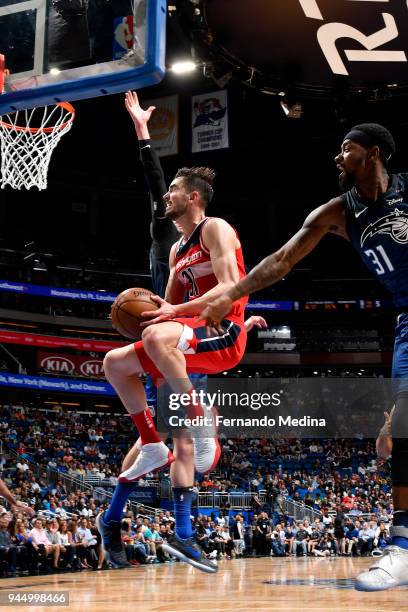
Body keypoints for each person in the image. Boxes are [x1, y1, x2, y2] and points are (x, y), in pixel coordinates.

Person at [200, 122, 408, 591]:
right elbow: (281, 260)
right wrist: (229, 293)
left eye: (347, 149)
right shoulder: (338, 212)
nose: (338, 157)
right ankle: (403, 546)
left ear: (373, 154)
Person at [97, 91, 265, 569]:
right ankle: (149, 446)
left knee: (188, 435)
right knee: (115, 362)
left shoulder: (216, 228)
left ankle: (184, 528)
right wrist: (155, 308)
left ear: (191, 196)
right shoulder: (173, 250)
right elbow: (167, 303)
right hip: (180, 340)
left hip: (217, 334)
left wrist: (172, 315)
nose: (165, 195)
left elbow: (230, 289)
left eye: (174, 190)